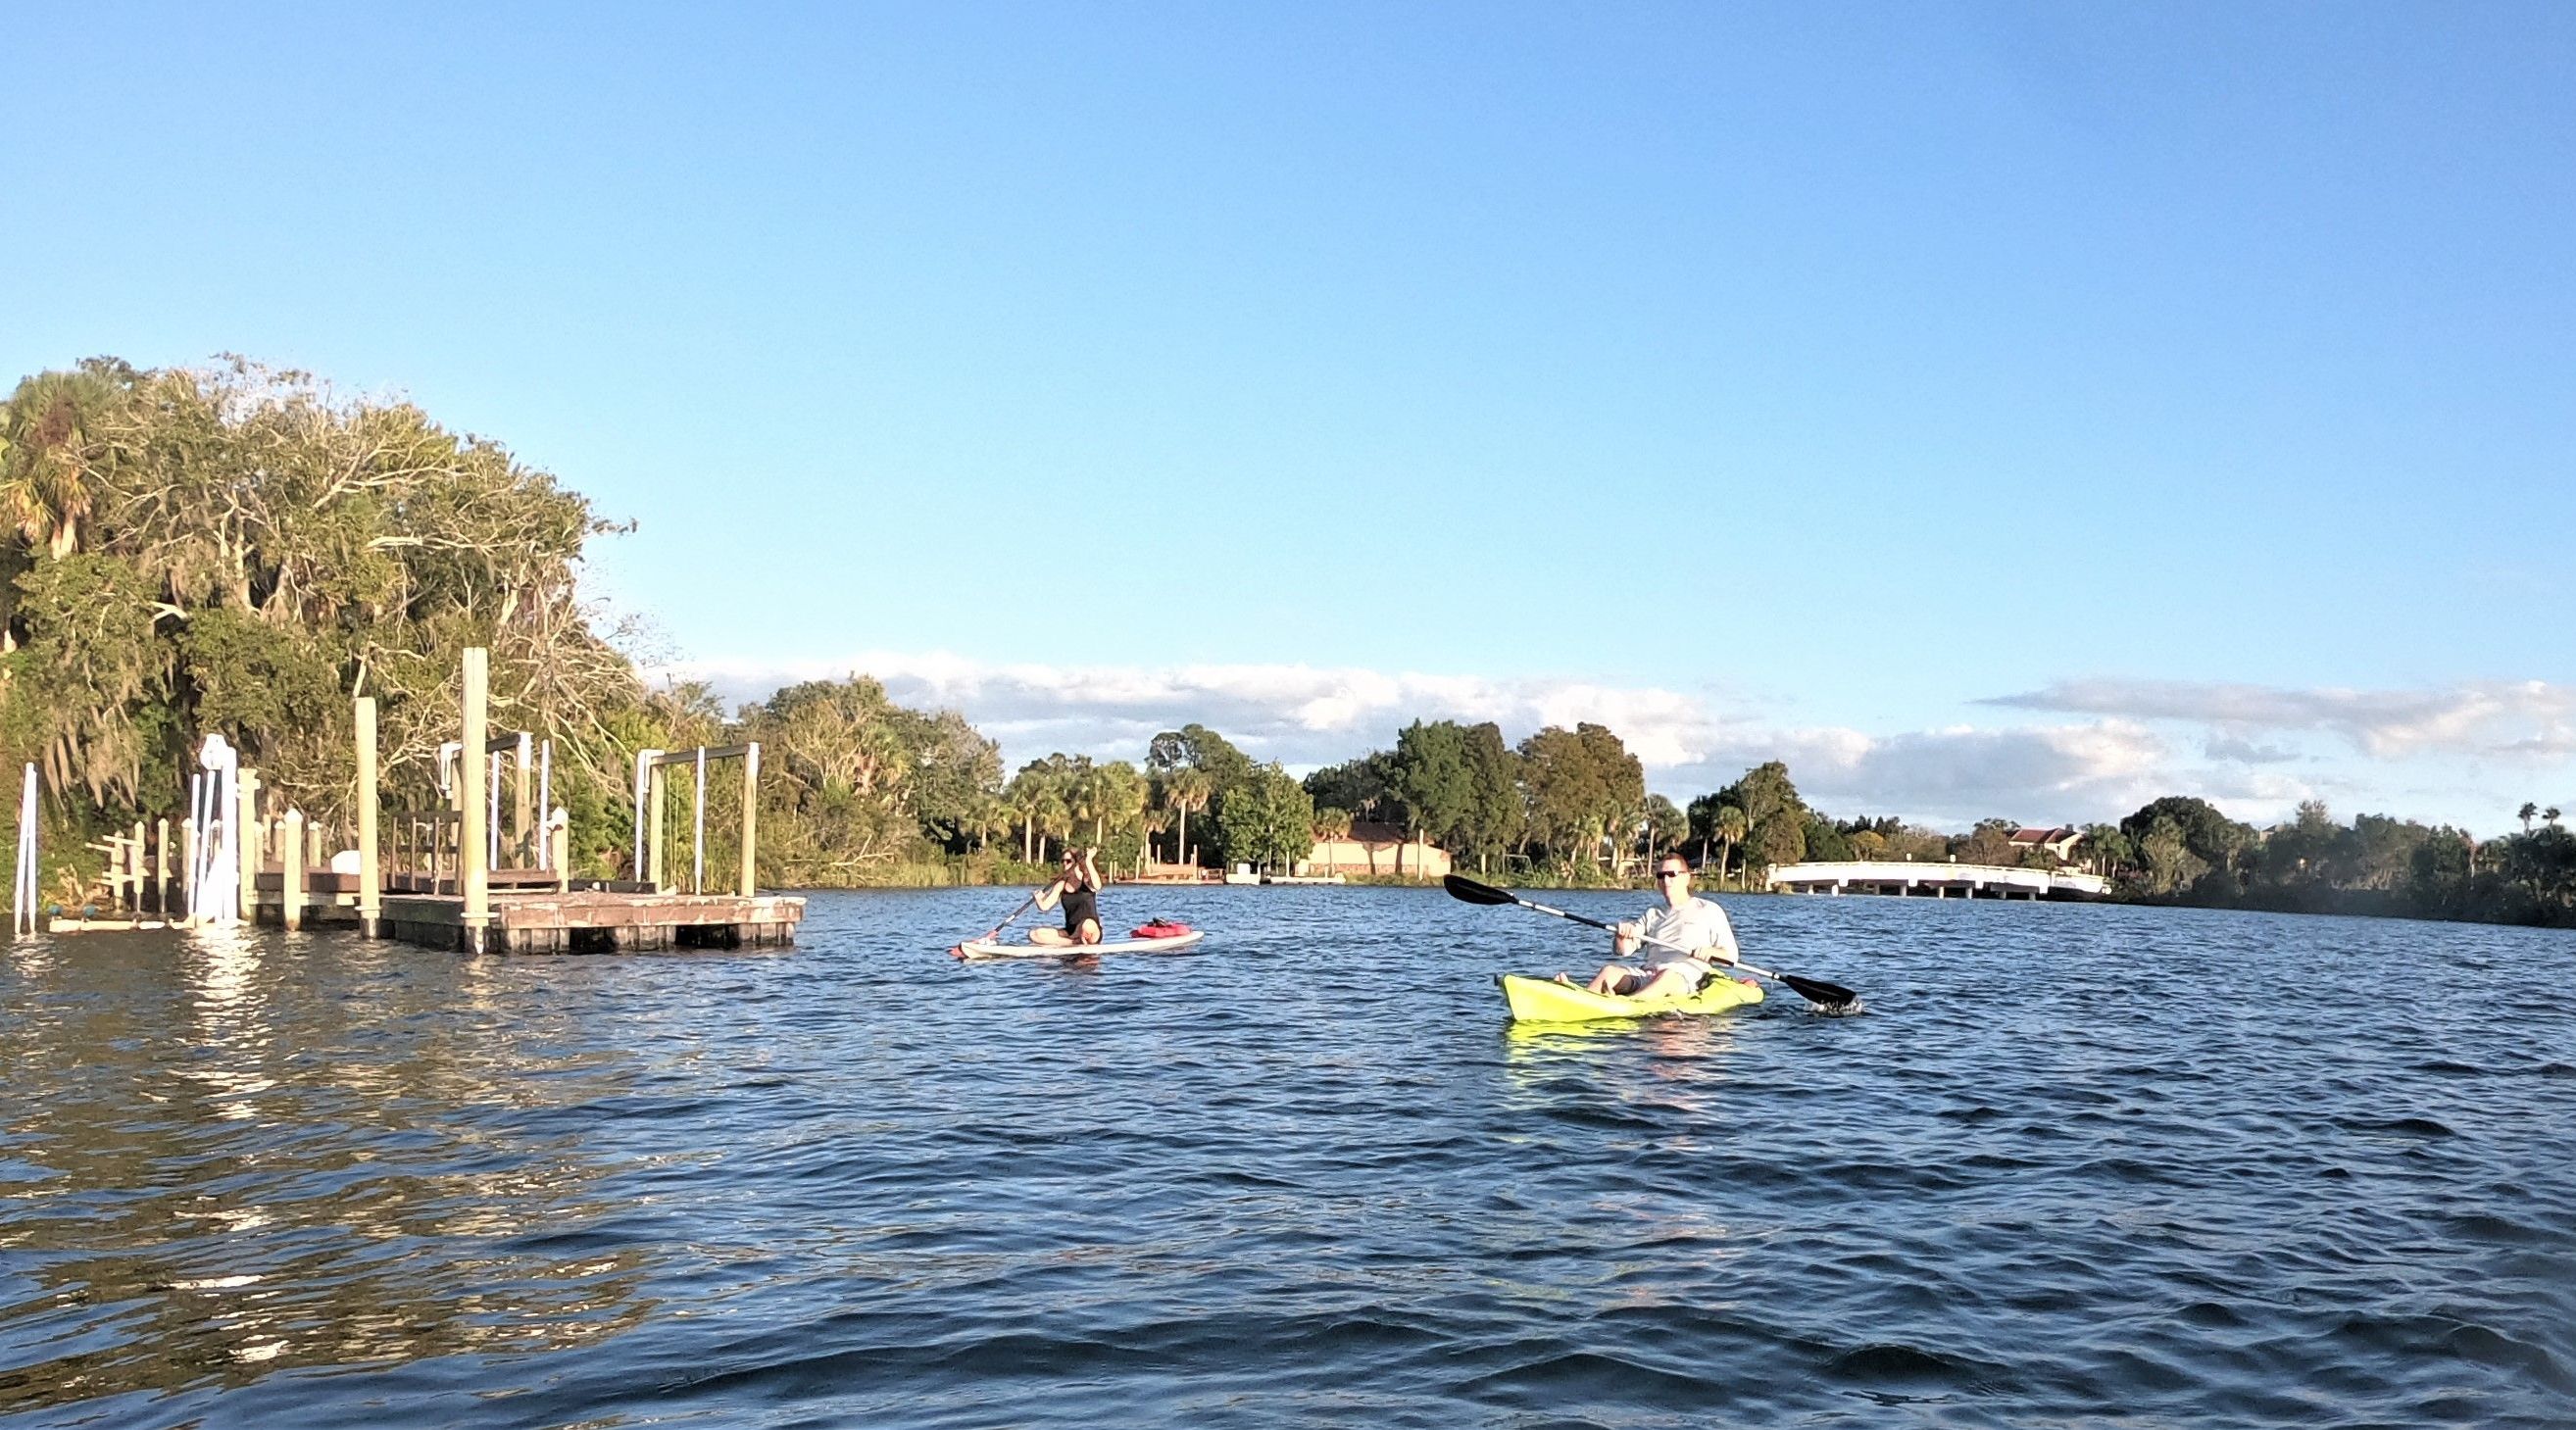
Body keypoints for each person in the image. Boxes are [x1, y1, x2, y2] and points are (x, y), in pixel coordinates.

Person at [1569, 855, 1744, 998]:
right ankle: (1580, 999)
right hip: (1649, 975)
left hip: (1685, 978)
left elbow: (1732, 956)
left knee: (1667, 976)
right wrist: (1621, 937)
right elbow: (1623, 951)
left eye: (1672, 874)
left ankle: (1629, 1004)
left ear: (1686, 877)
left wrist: (1710, 951)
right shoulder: (1653, 913)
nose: (1666, 880)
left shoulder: (1709, 910)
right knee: (1609, 971)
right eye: (1660, 875)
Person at [1030, 847, 1106, 946]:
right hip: (1071, 932)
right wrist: (1039, 899)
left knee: (1087, 925)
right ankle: (1073, 942)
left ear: (1077, 863)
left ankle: (1077, 939)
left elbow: (1097, 885)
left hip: (1090, 930)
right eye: (1063, 861)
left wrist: (1088, 860)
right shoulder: (1061, 884)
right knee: (1034, 934)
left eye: (1068, 861)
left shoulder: (1086, 880)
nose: (1065, 864)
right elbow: (1045, 907)